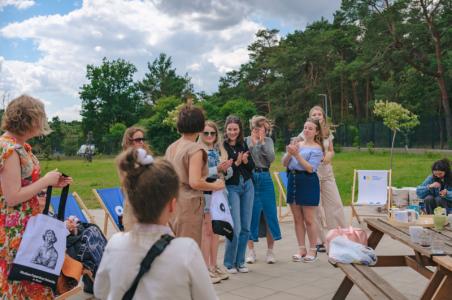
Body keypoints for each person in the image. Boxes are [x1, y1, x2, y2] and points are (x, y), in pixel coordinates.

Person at [94, 148, 218, 299]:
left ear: (131, 203)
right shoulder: (187, 250)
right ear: (172, 205)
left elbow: (101, 291)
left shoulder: (114, 244)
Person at [0, 95, 72, 299]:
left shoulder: (18, 146)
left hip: (26, 227)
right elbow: (12, 197)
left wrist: (52, 182)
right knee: (20, 282)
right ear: (28, 120)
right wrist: (45, 181)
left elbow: (21, 186)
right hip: (14, 230)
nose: (42, 124)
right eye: (40, 118)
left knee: (31, 281)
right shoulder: (10, 149)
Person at [165, 104, 224, 247]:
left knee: (173, 247)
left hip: (171, 202)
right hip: (188, 204)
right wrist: (215, 185)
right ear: (200, 125)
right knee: (187, 249)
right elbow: (195, 182)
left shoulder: (172, 147)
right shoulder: (195, 149)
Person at [299, 106, 346, 252]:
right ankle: (320, 241)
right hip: (311, 174)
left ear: (323, 116)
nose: (317, 116)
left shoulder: (327, 133)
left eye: (320, 114)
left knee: (335, 204)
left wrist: (328, 156)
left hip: (327, 173)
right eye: (314, 114)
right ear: (310, 116)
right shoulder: (304, 133)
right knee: (316, 209)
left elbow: (331, 150)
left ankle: (339, 237)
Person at [283, 118, 324, 263]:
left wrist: (296, 155)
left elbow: (310, 168)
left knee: (309, 219)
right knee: (297, 218)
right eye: (305, 127)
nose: (307, 130)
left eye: (310, 128)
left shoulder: (317, 148)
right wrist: (289, 153)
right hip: (293, 180)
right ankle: (301, 248)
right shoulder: (297, 144)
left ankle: (313, 249)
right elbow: (284, 163)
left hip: (308, 181)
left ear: (316, 132)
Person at [199, 120, 233, 284]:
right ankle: (205, 268)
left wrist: (226, 168)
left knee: (216, 231)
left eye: (212, 133)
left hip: (219, 194)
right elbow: (198, 174)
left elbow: (229, 174)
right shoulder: (198, 151)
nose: (210, 136)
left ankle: (214, 265)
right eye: (206, 133)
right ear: (200, 134)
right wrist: (217, 169)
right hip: (205, 194)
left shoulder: (219, 150)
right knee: (207, 232)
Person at [245, 116, 281, 264]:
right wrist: (254, 144)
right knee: (251, 214)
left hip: (265, 177)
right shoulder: (246, 140)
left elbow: (271, 158)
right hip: (251, 178)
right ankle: (251, 251)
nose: (261, 131)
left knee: (269, 214)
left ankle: (270, 251)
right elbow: (249, 157)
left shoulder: (268, 141)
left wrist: (261, 143)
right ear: (253, 128)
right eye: (258, 128)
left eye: (264, 129)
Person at [223, 115, 255, 273]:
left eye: (235, 129)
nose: (232, 132)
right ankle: (229, 263)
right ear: (226, 130)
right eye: (230, 129)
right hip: (232, 188)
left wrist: (244, 162)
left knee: (246, 228)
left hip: (248, 186)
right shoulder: (223, 147)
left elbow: (251, 166)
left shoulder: (244, 144)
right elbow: (225, 170)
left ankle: (240, 262)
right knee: (235, 227)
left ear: (240, 130)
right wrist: (237, 163)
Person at [121, 126, 152, 231]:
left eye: (143, 139)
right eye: (138, 140)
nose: (142, 142)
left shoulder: (146, 158)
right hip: (133, 208)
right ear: (129, 142)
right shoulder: (126, 161)